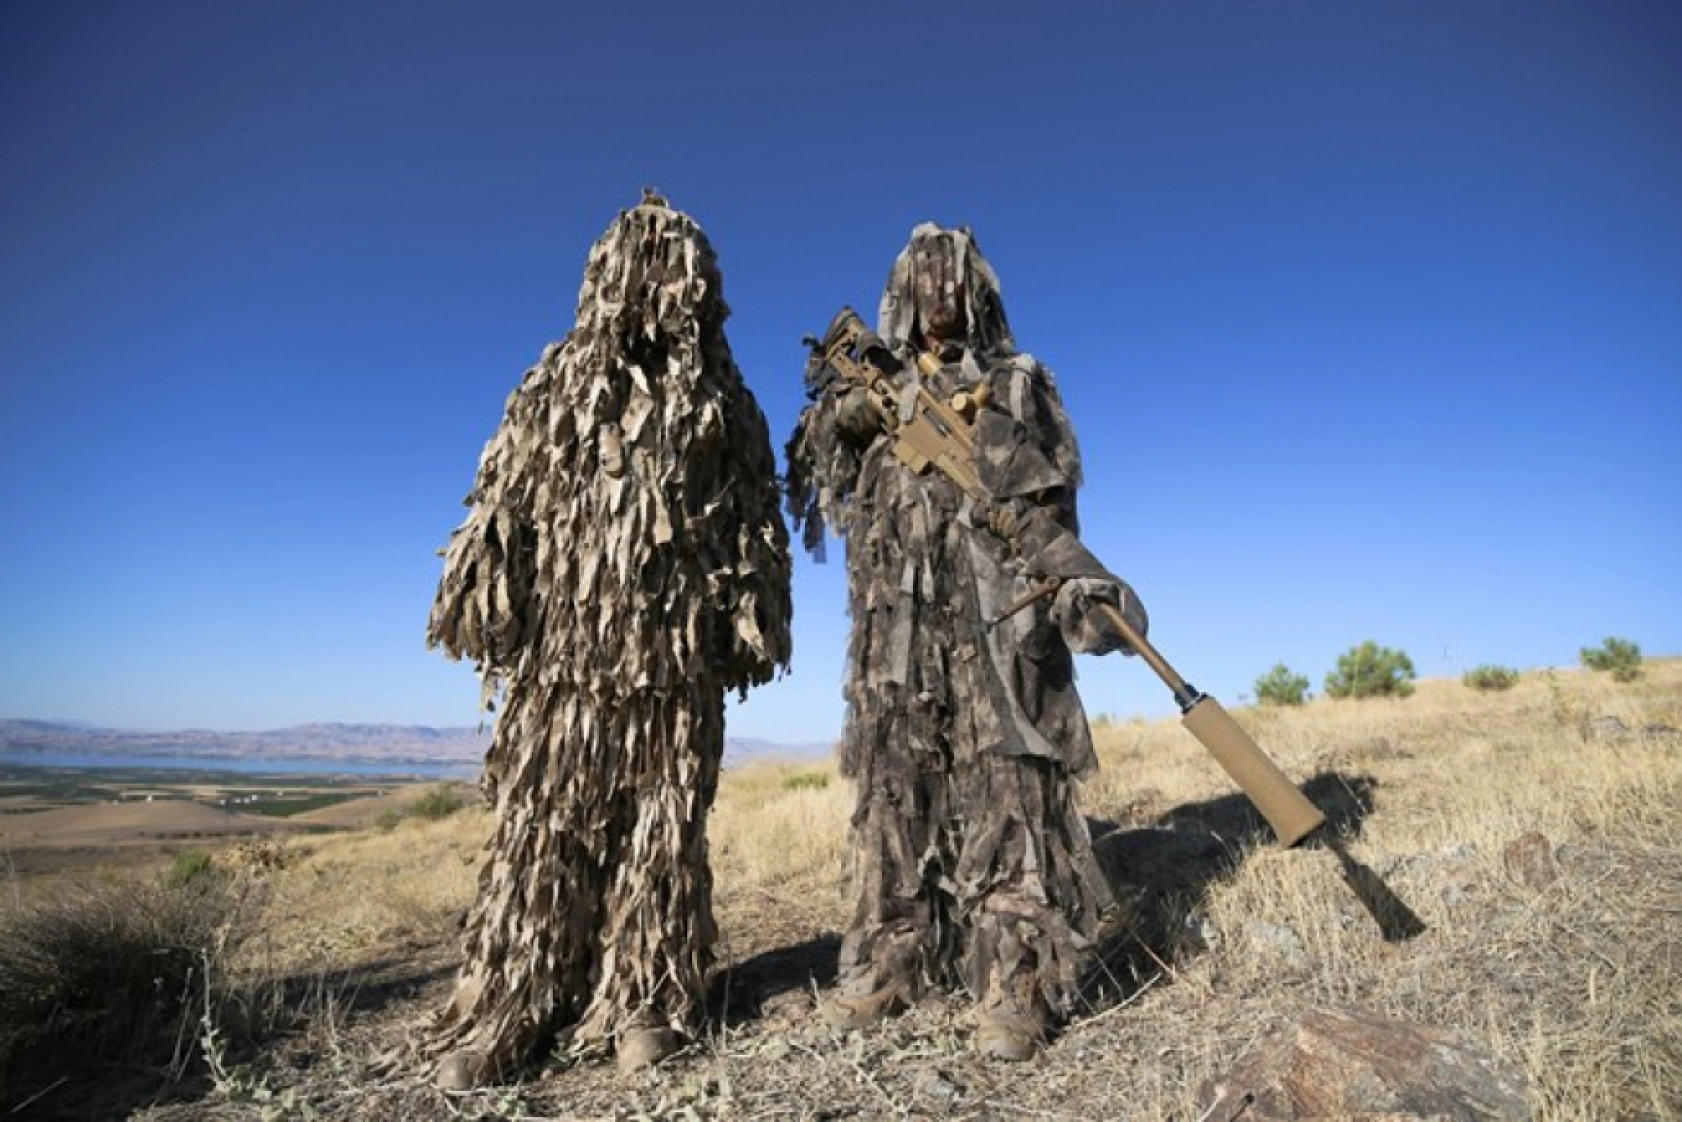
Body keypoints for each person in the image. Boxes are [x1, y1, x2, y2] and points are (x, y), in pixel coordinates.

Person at [423, 193, 792, 1087]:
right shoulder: (553, 387)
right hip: (562, 671)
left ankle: (644, 1001)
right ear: (610, 280)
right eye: (648, 266)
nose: (667, 286)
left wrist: (749, 627)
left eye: (683, 269)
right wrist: (484, 600)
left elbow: (755, 524)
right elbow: (502, 506)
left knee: (661, 843)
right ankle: (514, 1004)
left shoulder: (726, 404)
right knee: (539, 838)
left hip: (675, 676)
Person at [786, 223, 1145, 1061]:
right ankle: (891, 960)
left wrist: (1074, 580)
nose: (939, 289)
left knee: (1011, 795)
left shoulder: (1016, 383)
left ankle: (1013, 979)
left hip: (996, 622)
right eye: (924, 275)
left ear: (977, 289)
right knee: (893, 796)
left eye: (953, 275)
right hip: (895, 639)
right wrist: (847, 414)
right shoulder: (870, 394)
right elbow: (818, 479)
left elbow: (1048, 505)